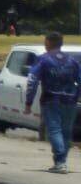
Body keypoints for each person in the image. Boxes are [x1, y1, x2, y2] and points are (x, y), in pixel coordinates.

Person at [24, 31, 79, 175]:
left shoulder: (43, 59)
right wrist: (77, 96)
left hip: (51, 100)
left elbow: (32, 81)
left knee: (54, 130)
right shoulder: (72, 61)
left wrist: (28, 102)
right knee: (66, 132)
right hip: (70, 100)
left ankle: (60, 162)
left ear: (48, 43)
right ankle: (62, 162)